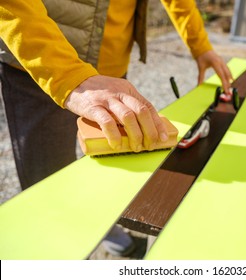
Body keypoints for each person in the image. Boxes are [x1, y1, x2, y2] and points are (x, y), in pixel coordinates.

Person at [0, 0, 232, 257]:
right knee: (48, 182)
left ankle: (100, 219)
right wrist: (67, 75)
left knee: (115, 166)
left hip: (111, 66)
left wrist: (199, 44)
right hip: (40, 65)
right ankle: (54, 251)